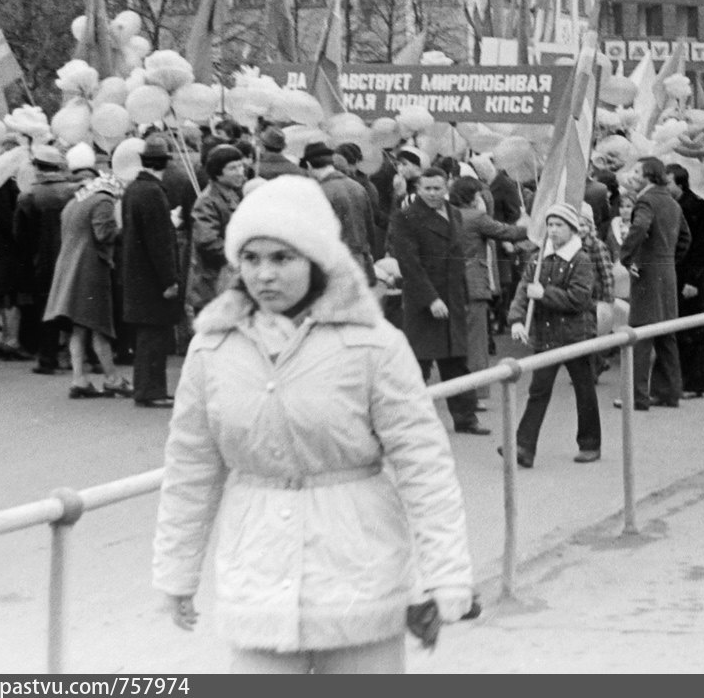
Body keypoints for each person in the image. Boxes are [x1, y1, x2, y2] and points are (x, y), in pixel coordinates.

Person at [152, 176, 474, 673]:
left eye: (283, 258)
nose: (265, 275)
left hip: (358, 576)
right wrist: (176, 575)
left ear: (317, 260)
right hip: (257, 572)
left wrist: (446, 575)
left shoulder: (371, 344)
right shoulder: (212, 348)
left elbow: (423, 465)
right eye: (252, 259)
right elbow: (190, 469)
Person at [388, 168, 487, 435]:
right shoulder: (406, 217)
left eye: (437, 188)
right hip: (424, 300)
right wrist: (431, 299)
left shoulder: (453, 213)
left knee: (457, 360)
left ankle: (466, 417)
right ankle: (406, 422)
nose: (433, 194)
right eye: (427, 188)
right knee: (419, 363)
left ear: (447, 188)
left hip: (452, 296)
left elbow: (457, 260)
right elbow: (410, 264)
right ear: (417, 189)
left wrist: (462, 296)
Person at [509, 202, 600, 467]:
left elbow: (579, 298)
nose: (553, 230)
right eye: (550, 225)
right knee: (538, 390)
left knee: (584, 390)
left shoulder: (581, 260)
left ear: (572, 230)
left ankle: (590, 443)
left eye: (559, 225)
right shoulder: (538, 258)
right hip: (547, 336)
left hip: (575, 336)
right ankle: (524, 447)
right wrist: (516, 320)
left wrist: (544, 294)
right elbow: (523, 290)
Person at [44, 146, 129, 399]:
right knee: (99, 326)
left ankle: (79, 379)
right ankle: (113, 378)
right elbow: (105, 234)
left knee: (79, 328)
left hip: (69, 269)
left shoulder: (73, 203)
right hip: (91, 269)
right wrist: (127, 229)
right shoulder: (103, 200)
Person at [618, 157, 690, 410]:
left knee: (640, 334)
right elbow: (685, 238)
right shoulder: (671, 201)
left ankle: (637, 396)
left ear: (648, 175)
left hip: (648, 273)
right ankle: (669, 392)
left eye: (637, 171)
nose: (633, 175)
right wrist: (668, 259)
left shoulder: (646, 200)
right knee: (666, 335)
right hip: (666, 271)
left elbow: (639, 226)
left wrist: (626, 257)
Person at [450, 176, 524, 412]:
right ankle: (476, 392)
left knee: (460, 339)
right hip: (474, 282)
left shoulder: (450, 215)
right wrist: (533, 227)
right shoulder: (476, 217)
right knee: (477, 341)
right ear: (473, 196)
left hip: (454, 283)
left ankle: (459, 389)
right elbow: (507, 232)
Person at [122, 136, 185, 408]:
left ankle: (147, 388)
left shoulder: (135, 188)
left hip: (138, 274)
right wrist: (169, 280)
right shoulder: (153, 192)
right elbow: (160, 243)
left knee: (147, 336)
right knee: (154, 337)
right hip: (152, 278)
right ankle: (151, 391)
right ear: (165, 163)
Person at [13, 144, 76, 374]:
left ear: (37, 168)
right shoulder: (73, 191)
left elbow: (20, 236)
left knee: (47, 308)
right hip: (71, 255)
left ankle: (47, 358)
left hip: (41, 262)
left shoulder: (28, 196)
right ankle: (75, 355)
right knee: (72, 305)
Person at [666, 163, 704, 399]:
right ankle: (681, 379)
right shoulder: (671, 205)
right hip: (675, 274)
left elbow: (701, 246)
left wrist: (693, 280)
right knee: (679, 328)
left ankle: (694, 383)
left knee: (692, 331)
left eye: (668, 183)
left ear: (680, 183)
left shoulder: (699, 207)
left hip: (691, 277)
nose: (665, 187)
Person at [186, 145, 247, 319]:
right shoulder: (207, 201)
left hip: (227, 283)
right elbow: (207, 241)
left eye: (240, 166)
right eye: (232, 168)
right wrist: (240, 257)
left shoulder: (233, 194)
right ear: (218, 173)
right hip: (213, 285)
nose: (239, 172)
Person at [303, 141, 375, 279]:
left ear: (309, 165)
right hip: (359, 261)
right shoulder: (357, 187)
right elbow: (369, 228)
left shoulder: (319, 192)